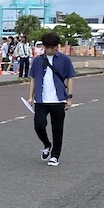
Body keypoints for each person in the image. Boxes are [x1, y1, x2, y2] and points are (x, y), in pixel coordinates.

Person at [28, 31, 76, 167]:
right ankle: (47, 144)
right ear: (43, 46)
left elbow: (70, 78)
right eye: (47, 47)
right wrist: (30, 97)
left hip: (58, 99)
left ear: (57, 46)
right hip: (41, 100)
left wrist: (69, 97)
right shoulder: (38, 60)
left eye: (52, 47)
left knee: (57, 129)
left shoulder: (64, 59)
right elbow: (33, 79)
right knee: (39, 125)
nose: (49, 50)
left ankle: (55, 156)